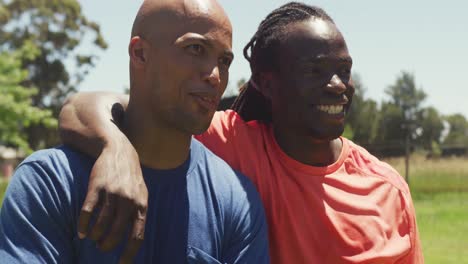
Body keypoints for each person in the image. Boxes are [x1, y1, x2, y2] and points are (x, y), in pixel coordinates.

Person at [58, 2, 424, 264]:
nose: (337, 85)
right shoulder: (230, 141)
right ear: (267, 82)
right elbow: (83, 107)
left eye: (343, 70)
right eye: (314, 71)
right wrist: (116, 148)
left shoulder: (387, 188)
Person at [0, 0, 270, 263]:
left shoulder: (236, 201)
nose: (215, 75)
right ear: (140, 53)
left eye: (224, 60)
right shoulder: (52, 180)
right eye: (196, 48)